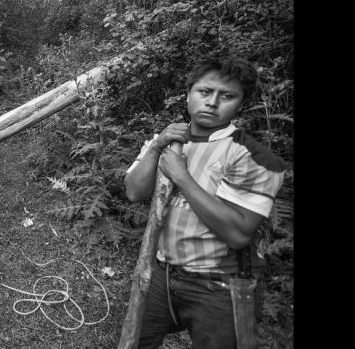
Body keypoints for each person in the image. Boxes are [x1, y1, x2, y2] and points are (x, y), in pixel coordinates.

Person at [123, 56, 287, 348]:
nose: (212, 102)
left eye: (226, 96)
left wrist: (182, 178)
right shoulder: (168, 140)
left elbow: (238, 234)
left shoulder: (253, 157)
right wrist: (156, 148)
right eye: (204, 92)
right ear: (188, 95)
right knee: (137, 341)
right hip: (161, 272)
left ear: (240, 104)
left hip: (221, 286)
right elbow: (134, 192)